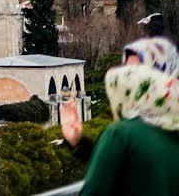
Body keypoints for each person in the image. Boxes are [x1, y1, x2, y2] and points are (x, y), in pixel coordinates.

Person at [64, 36, 179, 195]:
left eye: (136, 71)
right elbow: (138, 168)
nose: (126, 78)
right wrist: (79, 143)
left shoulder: (120, 133)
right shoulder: (171, 129)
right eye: (125, 69)